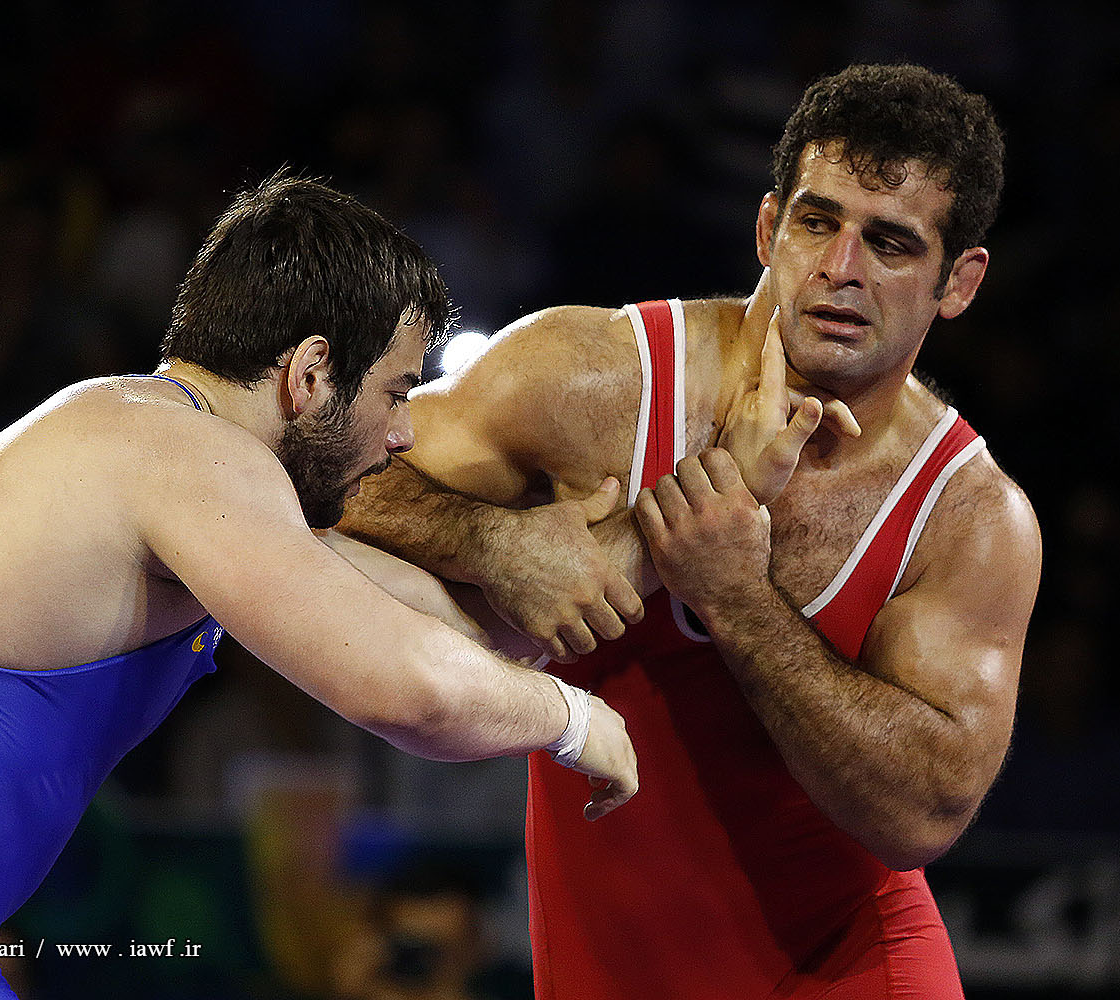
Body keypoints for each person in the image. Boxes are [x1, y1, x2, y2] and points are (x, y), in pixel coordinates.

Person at [0, 172, 638, 999]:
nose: (403, 433)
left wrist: (640, 542)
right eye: (395, 390)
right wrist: (575, 721)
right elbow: (410, 690)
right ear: (309, 373)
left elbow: (465, 638)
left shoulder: (188, 478)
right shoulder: (179, 451)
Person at [337, 64, 1042, 998]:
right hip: (602, 967)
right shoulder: (600, 382)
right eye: (817, 222)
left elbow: (922, 814)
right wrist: (490, 542)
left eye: (890, 243)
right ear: (767, 227)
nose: (841, 268)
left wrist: (736, 597)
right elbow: (323, 476)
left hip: (853, 970)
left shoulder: (967, 518)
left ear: (959, 282)